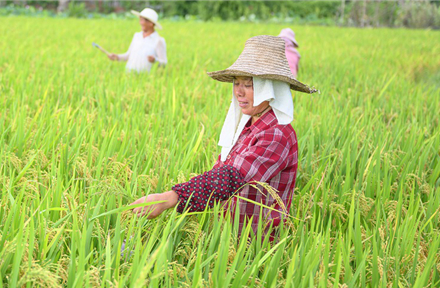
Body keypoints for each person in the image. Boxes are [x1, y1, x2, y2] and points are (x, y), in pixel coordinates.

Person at [130, 35, 317, 241]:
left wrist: (171, 197)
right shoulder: (247, 124)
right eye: (236, 83)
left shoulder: (276, 133)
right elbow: (220, 172)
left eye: (249, 85)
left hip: (255, 243)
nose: (239, 92)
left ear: (270, 88)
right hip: (227, 233)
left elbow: (233, 177)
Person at [108, 8, 167, 73]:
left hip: (145, 78)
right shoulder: (137, 36)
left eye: (142, 20)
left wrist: (155, 60)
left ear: (151, 23)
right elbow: (128, 55)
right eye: (140, 20)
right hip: (129, 75)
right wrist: (117, 57)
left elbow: (164, 62)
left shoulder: (158, 40)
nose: (140, 23)